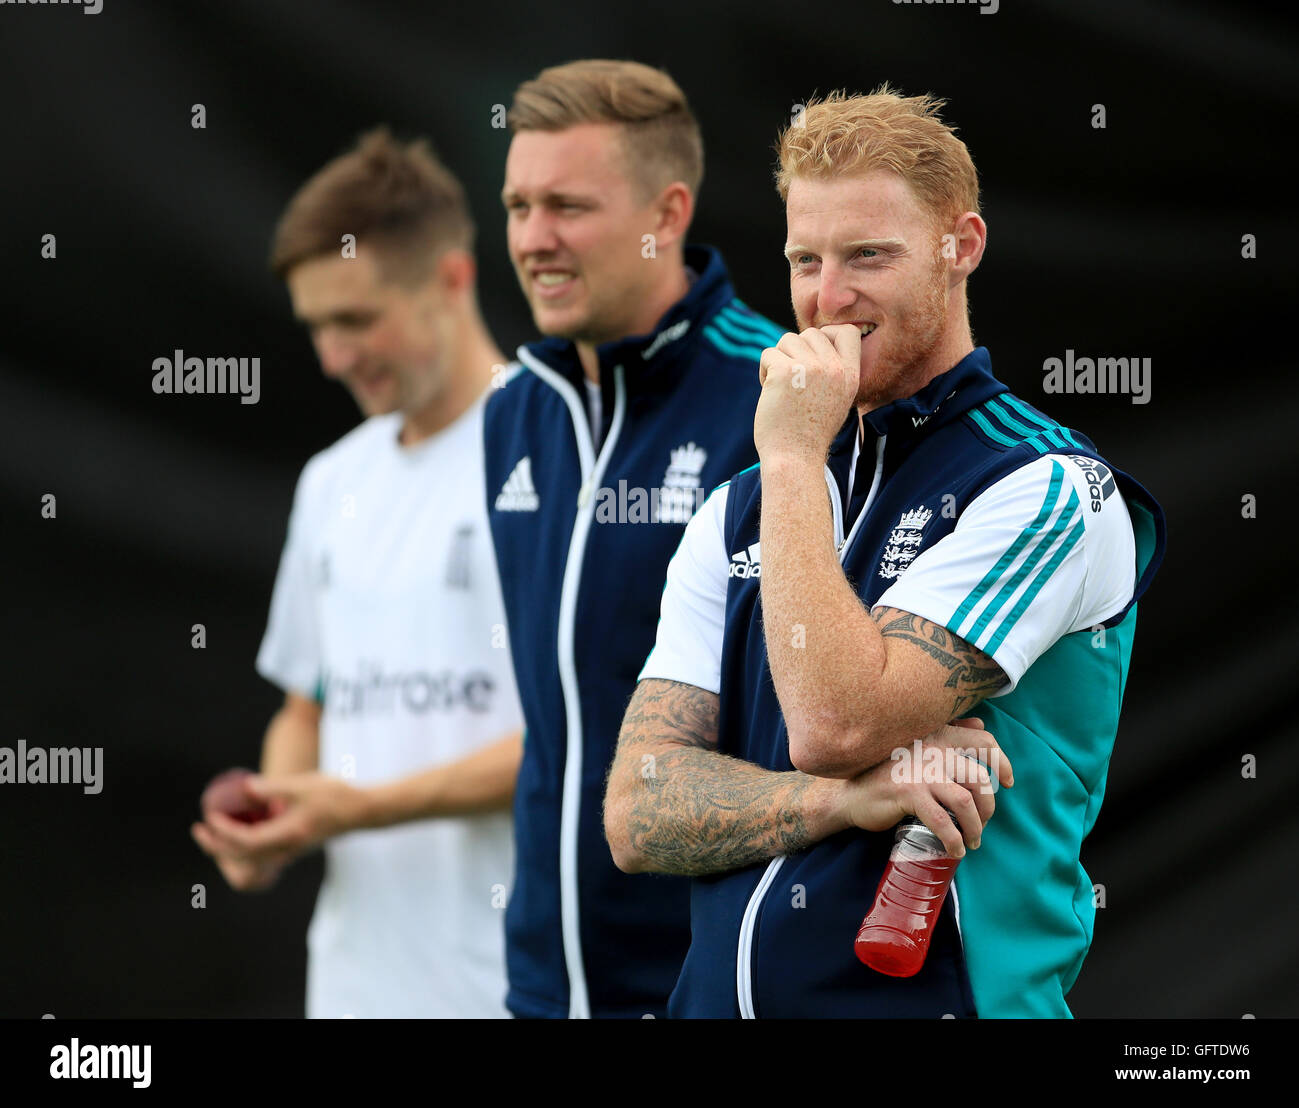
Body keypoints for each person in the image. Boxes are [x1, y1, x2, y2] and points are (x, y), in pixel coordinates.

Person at [604, 87, 1166, 1018]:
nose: (829, 297)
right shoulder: (737, 509)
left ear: (963, 247)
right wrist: (837, 804)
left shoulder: (1045, 485)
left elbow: (833, 725)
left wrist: (787, 455)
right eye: (804, 259)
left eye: (869, 255)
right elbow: (637, 811)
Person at [190, 128, 523, 1018]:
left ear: (451, 279)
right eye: (316, 327)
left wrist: (357, 807)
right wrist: (271, 817)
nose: (333, 356)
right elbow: (308, 705)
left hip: (510, 987)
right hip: (352, 986)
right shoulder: (331, 480)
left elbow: (582, 738)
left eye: (356, 319)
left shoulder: (554, 452)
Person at [486, 59, 784, 1019]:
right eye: (517, 206)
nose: (534, 239)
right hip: (545, 987)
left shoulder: (782, 396)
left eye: (567, 206)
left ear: (668, 211)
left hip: (718, 985)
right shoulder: (514, 412)